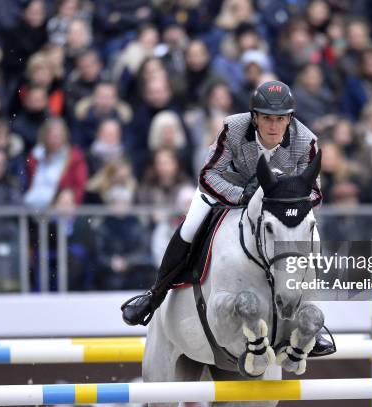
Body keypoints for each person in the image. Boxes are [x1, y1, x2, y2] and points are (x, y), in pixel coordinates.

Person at [121, 80, 324, 331]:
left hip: (277, 203)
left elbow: (314, 192)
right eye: (267, 118)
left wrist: (281, 198)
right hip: (227, 189)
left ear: (289, 118)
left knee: (311, 234)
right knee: (190, 227)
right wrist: (240, 195)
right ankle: (155, 295)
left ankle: (308, 310)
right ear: (255, 117)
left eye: (280, 119)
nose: (274, 126)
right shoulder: (234, 128)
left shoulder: (306, 141)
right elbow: (208, 175)